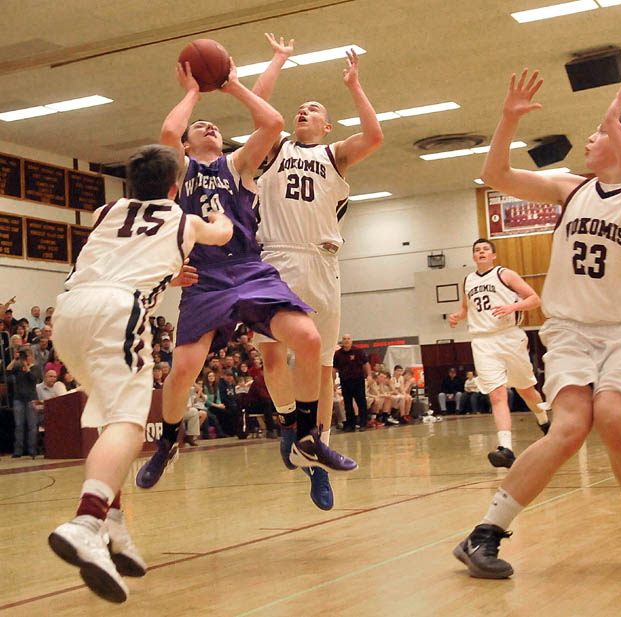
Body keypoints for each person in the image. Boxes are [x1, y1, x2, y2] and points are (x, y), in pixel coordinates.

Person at [453, 73, 621, 579]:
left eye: (600, 133)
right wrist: (507, 119)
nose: (591, 139)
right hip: (571, 331)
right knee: (570, 427)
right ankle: (484, 534)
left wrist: (615, 124)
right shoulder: (571, 188)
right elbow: (497, 174)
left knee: (616, 421)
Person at [136, 50, 356, 491]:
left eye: (214, 127)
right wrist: (194, 93)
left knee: (309, 340)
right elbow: (168, 130)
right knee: (184, 371)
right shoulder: (181, 171)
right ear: (186, 146)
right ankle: (169, 441)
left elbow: (272, 123)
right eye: (200, 127)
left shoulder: (236, 166)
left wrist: (233, 84)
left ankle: (307, 437)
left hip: (251, 269)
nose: (208, 127)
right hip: (206, 277)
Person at [47, 144, 234, 602]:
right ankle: (87, 521)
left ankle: (113, 525)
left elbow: (120, 256)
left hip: (69, 313)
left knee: (110, 420)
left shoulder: (104, 210)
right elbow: (224, 234)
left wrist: (167, 273)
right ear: (175, 188)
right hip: (118, 313)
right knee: (129, 425)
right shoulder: (184, 219)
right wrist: (218, 207)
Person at [252, 34, 381, 509]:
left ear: (327, 127)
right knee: (272, 361)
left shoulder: (335, 156)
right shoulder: (275, 148)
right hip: (275, 259)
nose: (303, 111)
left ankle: (316, 455)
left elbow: (374, 137)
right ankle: (290, 422)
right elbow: (259, 104)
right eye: (300, 107)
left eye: (313, 108)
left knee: (323, 368)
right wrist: (278, 60)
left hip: (323, 262)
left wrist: (354, 86)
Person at [449, 238, 551, 467]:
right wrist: (457, 316)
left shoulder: (505, 274)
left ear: (493, 255)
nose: (481, 252)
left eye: (485, 249)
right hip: (482, 341)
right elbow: (466, 309)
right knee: (497, 394)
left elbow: (535, 299)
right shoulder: (468, 280)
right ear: (474, 257)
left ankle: (544, 422)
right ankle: (506, 448)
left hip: (509, 337)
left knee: (526, 390)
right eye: (477, 250)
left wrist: (512, 307)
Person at [8, 347, 42, 458]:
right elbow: (8, 370)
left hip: (31, 398)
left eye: (27, 355)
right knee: (19, 425)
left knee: (32, 425)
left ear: (31, 356)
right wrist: (15, 359)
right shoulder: (18, 367)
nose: (25, 358)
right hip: (18, 398)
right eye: (24, 356)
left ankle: (32, 449)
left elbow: (33, 378)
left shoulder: (35, 368)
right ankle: (18, 450)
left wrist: (27, 366)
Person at [333, 333, 371, 431]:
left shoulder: (358, 351)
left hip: (358, 380)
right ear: (342, 341)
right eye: (344, 339)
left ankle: (363, 423)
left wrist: (369, 375)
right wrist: (332, 381)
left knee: (361, 402)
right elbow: (334, 369)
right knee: (348, 404)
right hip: (345, 381)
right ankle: (350, 424)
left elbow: (366, 364)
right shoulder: (338, 354)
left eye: (348, 339)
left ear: (351, 341)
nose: (346, 340)